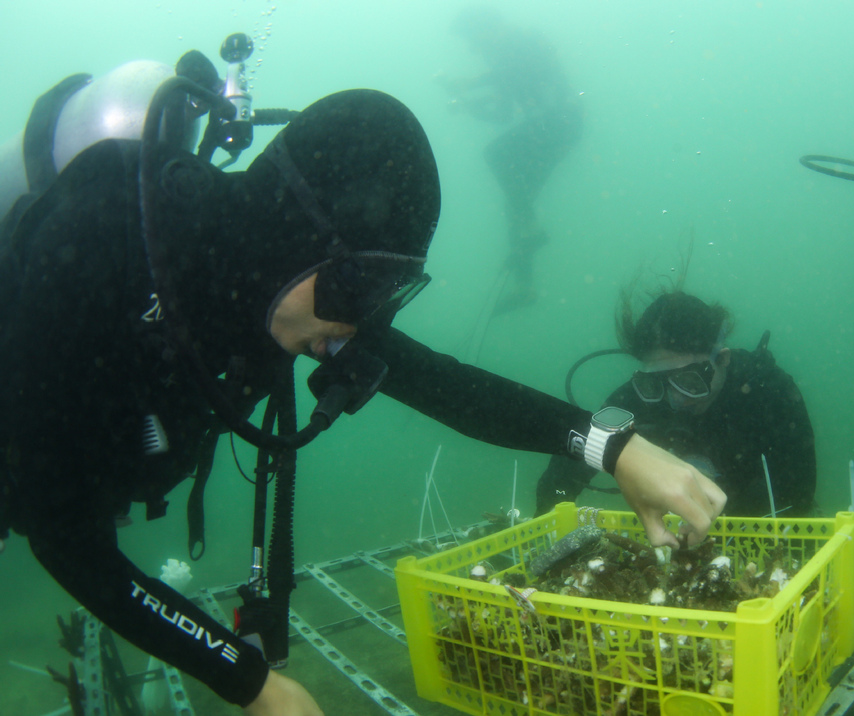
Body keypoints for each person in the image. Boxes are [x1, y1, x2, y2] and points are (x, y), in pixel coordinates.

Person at [0, 89, 723, 715]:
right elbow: (65, 537)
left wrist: (615, 448)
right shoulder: (98, 248)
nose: (354, 322)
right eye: (354, 287)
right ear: (294, 233)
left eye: (381, 293)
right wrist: (249, 681)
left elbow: (444, 384)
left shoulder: (292, 289)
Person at [536, 290, 817, 519]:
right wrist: (550, 516)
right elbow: (566, 468)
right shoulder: (636, 397)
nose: (676, 398)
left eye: (689, 380)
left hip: (764, 533)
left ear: (723, 359)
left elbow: (798, 494)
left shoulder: (769, 391)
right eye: (656, 382)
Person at [439, 7, 584, 313]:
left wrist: (474, 83)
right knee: (516, 199)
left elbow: (518, 68)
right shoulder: (502, 56)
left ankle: (530, 233)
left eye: (473, 38)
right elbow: (504, 113)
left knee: (498, 160)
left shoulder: (522, 42)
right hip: (552, 128)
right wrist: (468, 105)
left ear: (490, 28)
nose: (472, 48)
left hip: (561, 121)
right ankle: (525, 284)